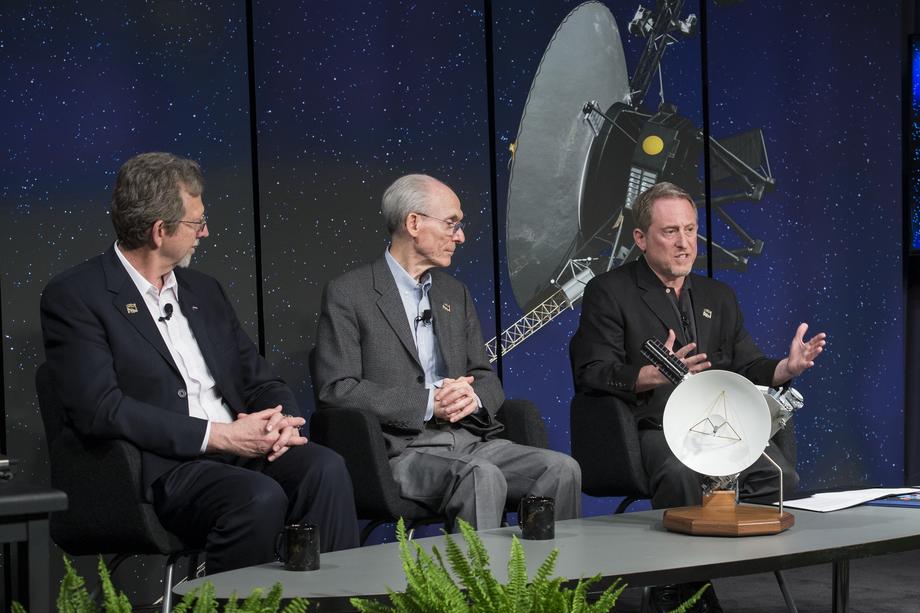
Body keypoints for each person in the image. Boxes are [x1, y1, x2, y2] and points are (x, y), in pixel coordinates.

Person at [41, 152, 359, 574]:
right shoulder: (78, 295)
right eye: (196, 223)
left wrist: (281, 424)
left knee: (325, 468)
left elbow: (259, 379)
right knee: (257, 497)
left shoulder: (203, 290)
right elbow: (100, 409)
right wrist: (219, 436)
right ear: (159, 231)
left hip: (240, 449)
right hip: (166, 468)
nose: (205, 233)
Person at [569, 181, 826, 613]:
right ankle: (679, 595)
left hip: (715, 428)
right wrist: (646, 374)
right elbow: (590, 370)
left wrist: (785, 368)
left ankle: (710, 573)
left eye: (690, 230)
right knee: (681, 473)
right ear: (640, 238)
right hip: (646, 428)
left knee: (778, 477)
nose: (684, 242)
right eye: (670, 232)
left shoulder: (717, 296)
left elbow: (747, 365)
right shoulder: (610, 292)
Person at [315, 173, 580, 531]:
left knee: (562, 469)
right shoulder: (350, 294)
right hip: (398, 452)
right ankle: (480, 588)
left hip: (470, 440)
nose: (461, 236)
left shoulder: (454, 294)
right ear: (413, 223)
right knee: (481, 476)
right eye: (452, 223)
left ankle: (552, 586)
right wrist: (429, 402)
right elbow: (337, 390)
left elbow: (486, 376)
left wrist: (472, 397)